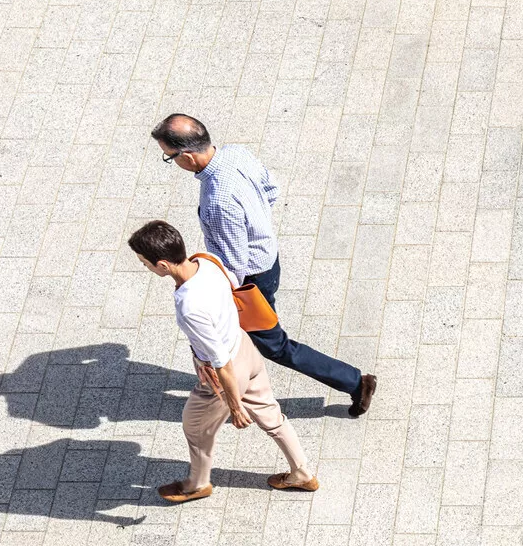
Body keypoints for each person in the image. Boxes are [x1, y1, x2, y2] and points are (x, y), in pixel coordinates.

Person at [151, 113, 377, 417]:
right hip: (268, 259)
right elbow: (270, 190)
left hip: (250, 281)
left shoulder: (218, 199)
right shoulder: (236, 153)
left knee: (276, 346)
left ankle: (355, 382)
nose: (172, 163)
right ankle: (234, 378)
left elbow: (234, 264)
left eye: (170, 157)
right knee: (255, 338)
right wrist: (257, 224)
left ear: (187, 156)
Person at [127, 220, 319, 502]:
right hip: (245, 346)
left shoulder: (189, 306)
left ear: (163, 266)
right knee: (271, 415)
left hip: (226, 372)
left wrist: (234, 405)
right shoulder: (207, 261)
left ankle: (197, 484)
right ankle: (301, 472)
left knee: (195, 428)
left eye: (145, 263)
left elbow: (220, 362)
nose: (144, 267)